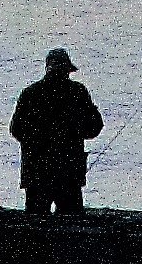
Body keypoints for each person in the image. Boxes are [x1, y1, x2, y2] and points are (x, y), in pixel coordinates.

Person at [10, 49, 104, 219]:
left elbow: (16, 130)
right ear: (67, 70)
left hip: (36, 173)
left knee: (34, 227)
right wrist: (74, 132)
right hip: (68, 173)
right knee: (71, 228)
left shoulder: (30, 94)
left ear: (47, 69)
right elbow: (95, 127)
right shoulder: (77, 92)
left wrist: (36, 141)